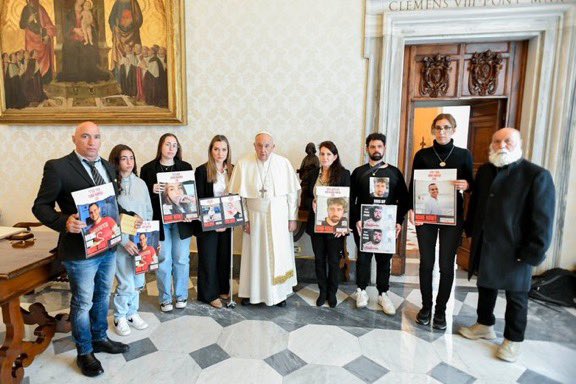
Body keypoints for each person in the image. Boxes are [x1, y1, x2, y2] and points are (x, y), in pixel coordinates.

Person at [32, 122, 139, 377]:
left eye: (96, 137)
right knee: (82, 303)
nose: (92, 142)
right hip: (80, 252)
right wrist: (63, 222)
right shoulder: (57, 167)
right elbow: (40, 206)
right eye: (85, 136)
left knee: (103, 296)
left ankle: (100, 337)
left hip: (108, 246)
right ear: (74, 139)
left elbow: (111, 207)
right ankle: (84, 352)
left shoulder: (108, 167)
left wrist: (131, 218)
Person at [458, 128, 555, 362]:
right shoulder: (485, 172)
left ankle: (513, 340)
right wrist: (470, 230)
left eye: (508, 141)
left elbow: (543, 219)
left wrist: (534, 252)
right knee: (486, 286)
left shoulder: (536, 175)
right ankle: (484, 324)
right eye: (497, 141)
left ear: (519, 144)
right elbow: (476, 203)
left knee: (517, 296)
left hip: (517, 249)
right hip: (487, 243)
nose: (501, 145)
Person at [408, 113, 473, 330]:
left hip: (452, 218)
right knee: (426, 263)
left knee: (446, 266)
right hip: (426, 215)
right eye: (438, 127)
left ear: (453, 130)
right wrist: (411, 208)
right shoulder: (423, 155)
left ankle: (441, 311)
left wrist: (466, 185)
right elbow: (414, 183)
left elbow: (472, 183)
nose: (442, 131)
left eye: (446, 127)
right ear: (433, 130)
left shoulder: (464, 155)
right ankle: (426, 307)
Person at [228, 132, 300, 307]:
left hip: (279, 217)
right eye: (259, 145)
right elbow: (239, 197)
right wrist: (244, 219)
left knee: (279, 254)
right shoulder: (244, 164)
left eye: (267, 146)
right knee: (254, 255)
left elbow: (292, 194)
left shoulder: (283, 164)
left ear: (273, 147)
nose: (263, 149)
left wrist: (292, 218)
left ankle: (278, 294)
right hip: (254, 217)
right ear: (254, 146)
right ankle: (250, 292)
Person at [350, 133, 409, 315]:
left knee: (384, 261)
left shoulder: (394, 172)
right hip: (364, 225)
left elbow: (404, 199)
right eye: (373, 146)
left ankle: (383, 294)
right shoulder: (359, 172)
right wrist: (355, 220)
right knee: (363, 259)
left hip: (387, 226)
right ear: (367, 148)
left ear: (384, 149)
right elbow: (350, 199)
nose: (376, 150)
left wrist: (399, 221)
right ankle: (361, 291)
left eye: (379, 147)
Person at [140, 134, 194, 312]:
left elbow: (191, 196)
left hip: (181, 221)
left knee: (181, 258)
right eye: (168, 144)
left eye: (175, 145)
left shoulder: (185, 167)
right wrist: (151, 189)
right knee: (163, 259)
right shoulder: (148, 169)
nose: (171, 148)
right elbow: (143, 199)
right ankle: (165, 298)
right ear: (160, 146)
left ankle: (181, 295)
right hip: (160, 222)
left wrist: (190, 211)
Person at [108, 144, 152, 337]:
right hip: (122, 243)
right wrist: (124, 240)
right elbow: (110, 216)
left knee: (138, 280)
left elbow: (148, 211)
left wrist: (149, 239)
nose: (129, 162)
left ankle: (133, 312)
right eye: (124, 158)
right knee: (125, 282)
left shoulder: (141, 184)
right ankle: (120, 316)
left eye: (131, 158)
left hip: (141, 241)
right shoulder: (110, 186)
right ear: (116, 162)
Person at [303, 141, 351, 307]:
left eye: (328, 154)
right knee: (319, 260)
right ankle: (322, 291)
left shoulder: (344, 174)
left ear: (335, 156)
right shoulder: (313, 173)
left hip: (335, 226)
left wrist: (343, 227)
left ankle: (332, 293)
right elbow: (305, 197)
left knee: (333, 260)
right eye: (322, 154)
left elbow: (347, 201)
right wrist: (312, 203)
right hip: (316, 225)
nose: (324, 157)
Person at [194, 135, 234, 309]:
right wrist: (214, 223)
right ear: (211, 150)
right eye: (216, 149)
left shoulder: (232, 169)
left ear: (228, 151)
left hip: (228, 221)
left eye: (223, 149)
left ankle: (223, 288)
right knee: (208, 258)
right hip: (208, 223)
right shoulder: (202, 170)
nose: (220, 153)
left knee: (224, 257)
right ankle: (208, 294)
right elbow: (199, 200)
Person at [58, 0, 110, 83]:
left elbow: (94, 25)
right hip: (72, 37)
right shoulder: (69, 13)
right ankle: (74, 75)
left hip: (84, 36)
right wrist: (75, 29)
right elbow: (65, 27)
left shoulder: (86, 10)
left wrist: (90, 24)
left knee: (89, 47)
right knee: (70, 47)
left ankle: (88, 74)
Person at [19, 0, 56, 84]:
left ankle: (45, 79)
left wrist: (46, 34)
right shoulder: (26, 9)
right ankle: (33, 81)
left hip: (42, 38)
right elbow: (21, 25)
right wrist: (29, 19)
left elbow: (48, 24)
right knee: (33, 58)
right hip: (31, 39)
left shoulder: (41, 9)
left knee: (45, 60)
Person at [109, 0, 143, 72]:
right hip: (119, 35)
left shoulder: (133, 2)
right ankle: (119, 75)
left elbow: (139, 18)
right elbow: (111, 18)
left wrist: (131, 24)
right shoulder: (117, 2)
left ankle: (134, 76)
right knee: (120, 59)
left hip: (132, 34)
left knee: (133, 59)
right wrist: (115, 28)